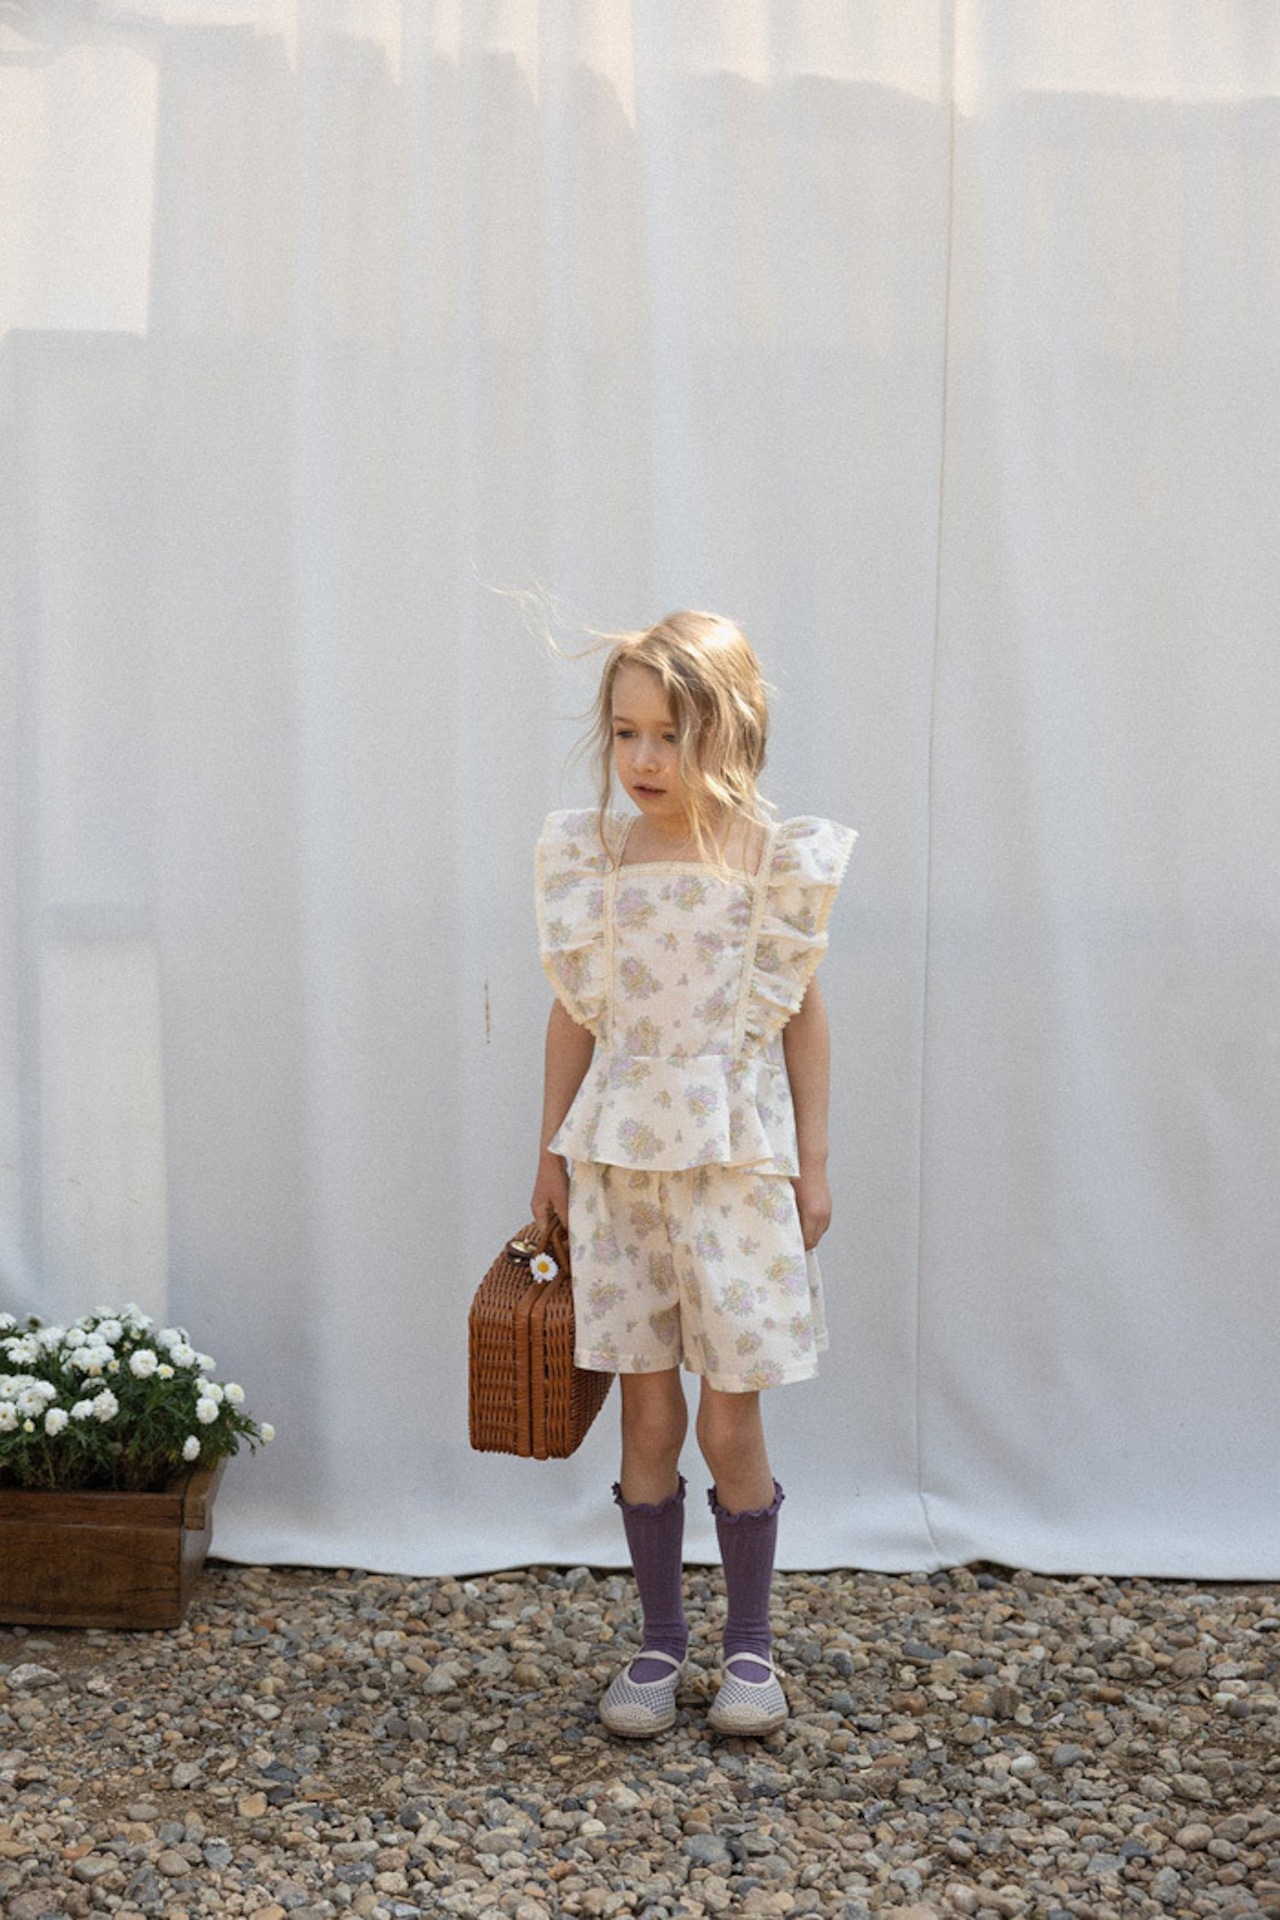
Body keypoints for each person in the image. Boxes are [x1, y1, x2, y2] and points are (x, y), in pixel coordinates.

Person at [531, 610, 855, 1738]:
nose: (644, 759)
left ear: (732, 732)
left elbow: (802, 1018)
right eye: (626, 734)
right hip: (621, 1164)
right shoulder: (599, 861)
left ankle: (750, 1647)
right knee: (648, 1419)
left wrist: (813, 1165)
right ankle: (659, 1641)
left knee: (728, 1424)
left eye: (670, 735)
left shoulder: (767, 862)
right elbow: (573, 1017)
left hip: (733, 1167)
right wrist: (548, 1158)